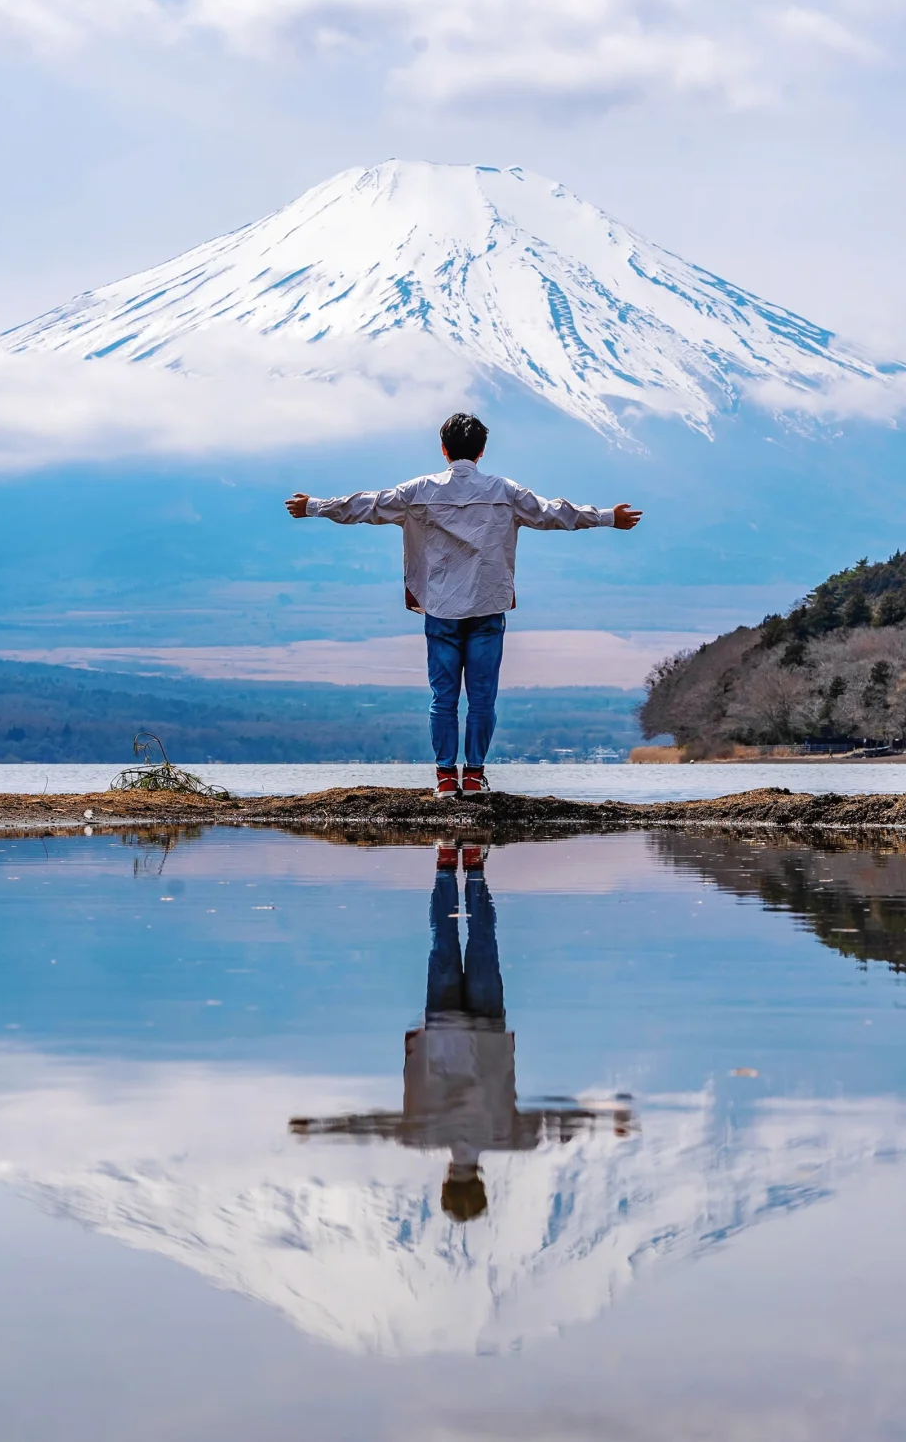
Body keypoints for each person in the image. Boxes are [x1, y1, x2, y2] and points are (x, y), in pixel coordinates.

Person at [285, 412, 642, 798]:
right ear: (482, 451)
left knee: (443, 699)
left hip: (440, 609)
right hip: (488, 606)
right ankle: (472, 778)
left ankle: (444, 780)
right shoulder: (505, 491)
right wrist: (608, 517)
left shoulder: (419, 490)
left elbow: (365, 505)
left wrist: (314, 506)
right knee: (482, 698)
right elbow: (554, 512)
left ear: (444, 449)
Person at [289, 841, 635, 1224]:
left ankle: (471, 869)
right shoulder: (422, 1137)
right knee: (444, 938)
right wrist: (318, 1127)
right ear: (444, 1184)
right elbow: (369, 1127)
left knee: (482, 939)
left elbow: (556, 1124)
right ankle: (444, 867)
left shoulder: (507, 1140)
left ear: (480, 1185)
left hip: (486, 1026)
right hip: (442, 1025)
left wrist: (607, 1120)